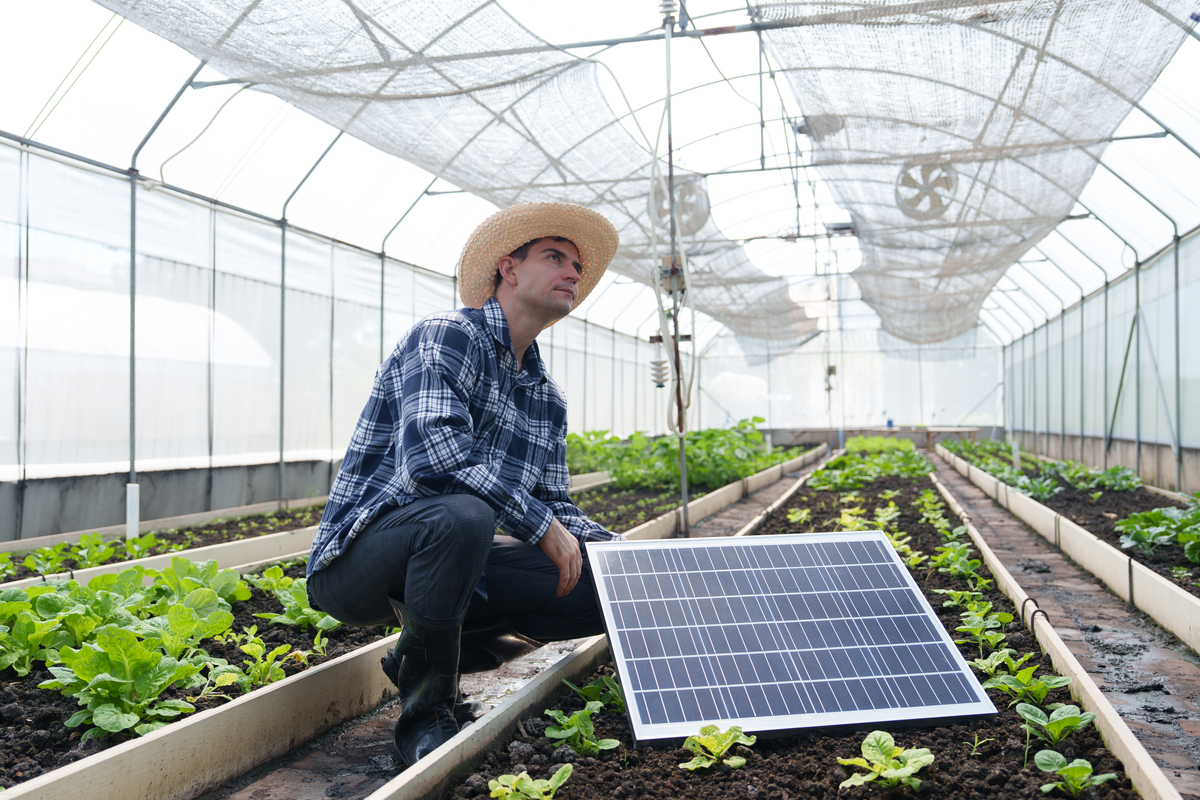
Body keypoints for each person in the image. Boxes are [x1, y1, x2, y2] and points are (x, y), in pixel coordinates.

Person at [306, 201, 624, 769]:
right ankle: (428, 712)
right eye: (556, 257)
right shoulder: (446, 337)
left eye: (577, 265)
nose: (574, 273)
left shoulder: (546, 397)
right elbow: (436, 459)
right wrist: (541, 526)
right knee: (461, 514)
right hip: (360, 564)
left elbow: (553, 501)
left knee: (598, 587)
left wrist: (628, 560)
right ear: (508, 268)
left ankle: (438, 645)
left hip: (454, 565)